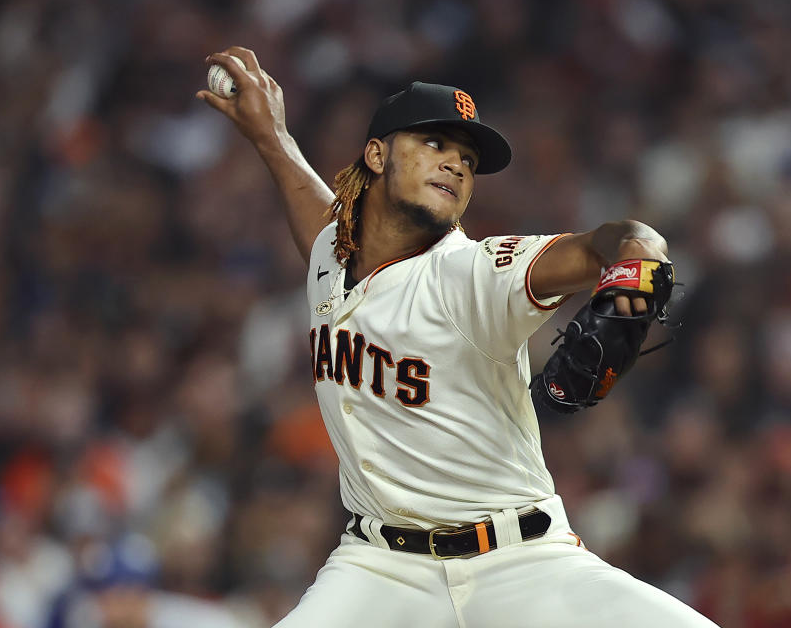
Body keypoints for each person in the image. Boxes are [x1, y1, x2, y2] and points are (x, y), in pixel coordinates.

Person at [196, 46, 719, 628]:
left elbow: (608, 241)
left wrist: (641, 250)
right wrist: (272, 138)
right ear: (376, 154)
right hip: (380, 569)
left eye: (468, 158)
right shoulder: (332, 256)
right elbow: (322, 224)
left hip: (521, 563)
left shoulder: (471, 273)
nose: (456, 164)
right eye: (435, 144)